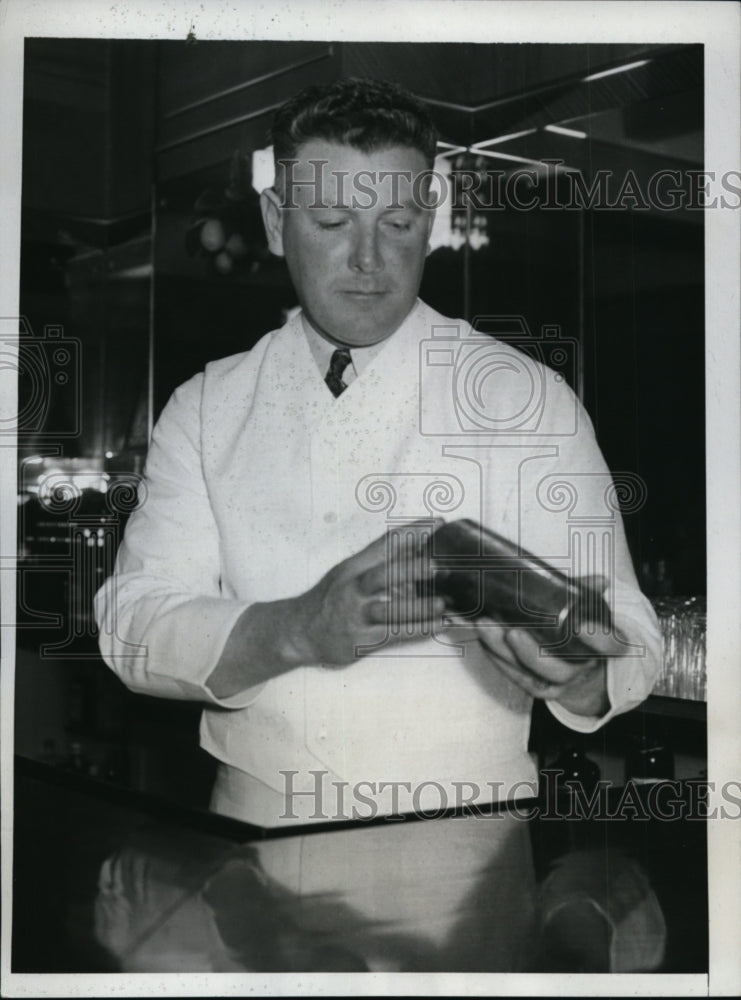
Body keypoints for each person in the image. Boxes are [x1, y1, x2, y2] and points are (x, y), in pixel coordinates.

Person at [94, 78, 660, 827]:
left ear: (432, 220)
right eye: (332, 221)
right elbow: (130, 625)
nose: (368, 260)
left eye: (396, 223)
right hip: (249, 851)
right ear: (275, 221)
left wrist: (581, 673)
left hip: (466, 854)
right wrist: (297, 628)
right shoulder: (205, 406)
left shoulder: (524, 398)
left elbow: (632, 634)